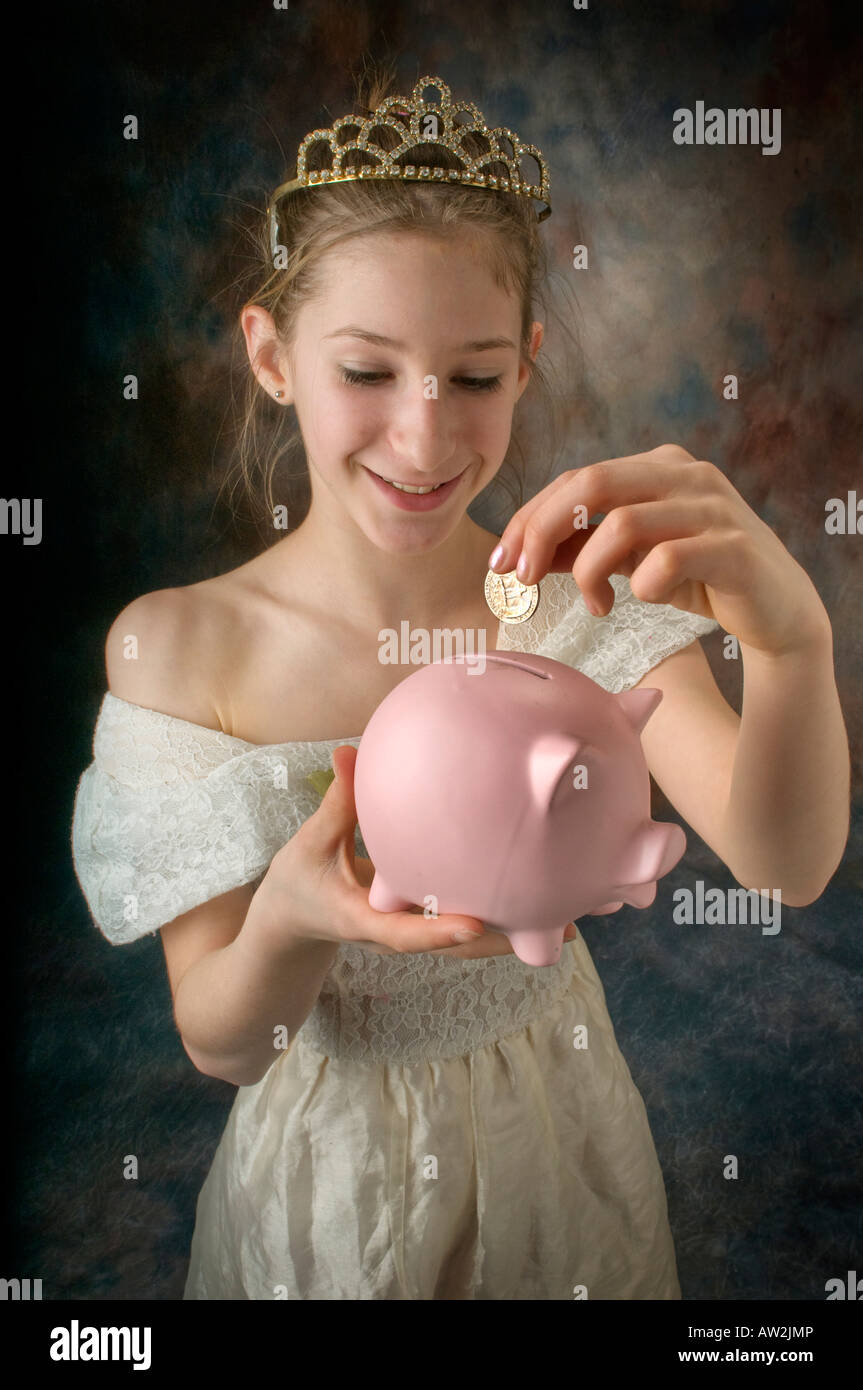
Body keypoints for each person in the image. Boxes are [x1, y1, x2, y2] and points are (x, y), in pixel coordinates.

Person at [70, 71, 849, 1300]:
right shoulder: (184, 650)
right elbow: (224, 1041)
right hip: (321, 1181)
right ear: (273, 358)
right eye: (366, 373)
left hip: (557, 1141)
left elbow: (782, 860)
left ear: (527, 363)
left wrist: (795, 645)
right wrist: (292, 914)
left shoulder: (574, 596)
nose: (424, 438)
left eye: (474, 379)